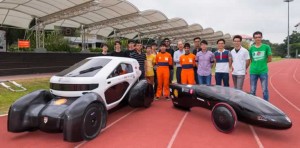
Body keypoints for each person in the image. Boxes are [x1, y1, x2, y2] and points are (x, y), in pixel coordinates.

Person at [249, 31, 272, 101]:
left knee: (265, 89)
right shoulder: (251, 48)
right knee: (252, 90)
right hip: (253, 71)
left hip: (263, 71)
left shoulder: (266, 47)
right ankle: (253, 104)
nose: (257, 39)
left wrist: (262, 63)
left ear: (261, 37)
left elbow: (269, 59)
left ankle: (266, 104)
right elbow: (251, 59)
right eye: (256, 37)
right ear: (253, 38)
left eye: (259, 37)